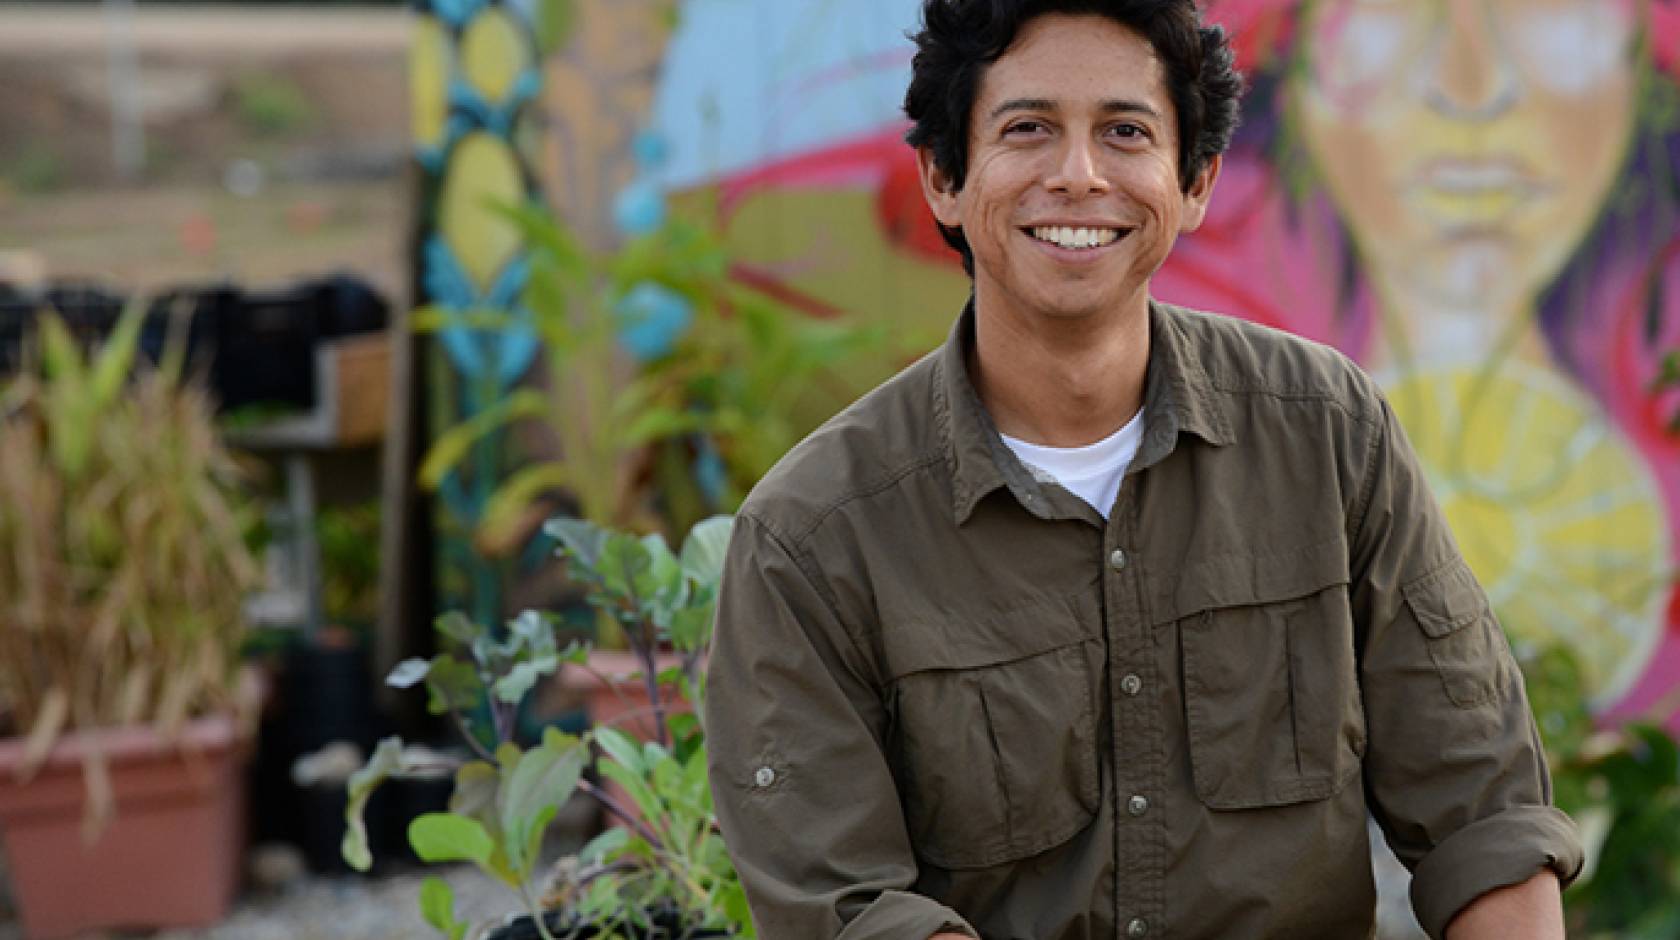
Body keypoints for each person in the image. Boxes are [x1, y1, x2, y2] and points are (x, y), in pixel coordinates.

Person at [702, 1, 1583, 937]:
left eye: (1125, 132)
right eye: (1028, 129)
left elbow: (1484, 820)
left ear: (1194, 182)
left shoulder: (1329, 436)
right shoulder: (810, 539)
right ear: (944, 179)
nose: (1078, 176)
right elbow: (852, 914)